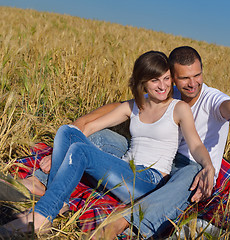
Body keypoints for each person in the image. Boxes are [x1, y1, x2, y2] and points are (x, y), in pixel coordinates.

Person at [13, 46, 230, 239]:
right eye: (184, 78)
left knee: (191, 170)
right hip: (141, 159)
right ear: (173, 77)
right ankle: (50, 188)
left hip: (185, 167)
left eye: (198, 75)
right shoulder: (161, 97)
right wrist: (77, 128)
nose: (193, 84)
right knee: (85, 135)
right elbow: (118, 109)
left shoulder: (210, 100)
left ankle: (125, 220)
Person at [2, 50, 215, 234]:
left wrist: (208, 166)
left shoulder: (178, 108)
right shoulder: (134, 106)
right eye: (155, 80)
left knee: (80, 151)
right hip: (125, 169)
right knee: (67, 131)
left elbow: (195, 144)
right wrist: (60, 149)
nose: (163, 86)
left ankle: (43, 215)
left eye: (167, 79)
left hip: (147, 180)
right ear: (142, 83)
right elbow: (90, 127)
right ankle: (58, 201)